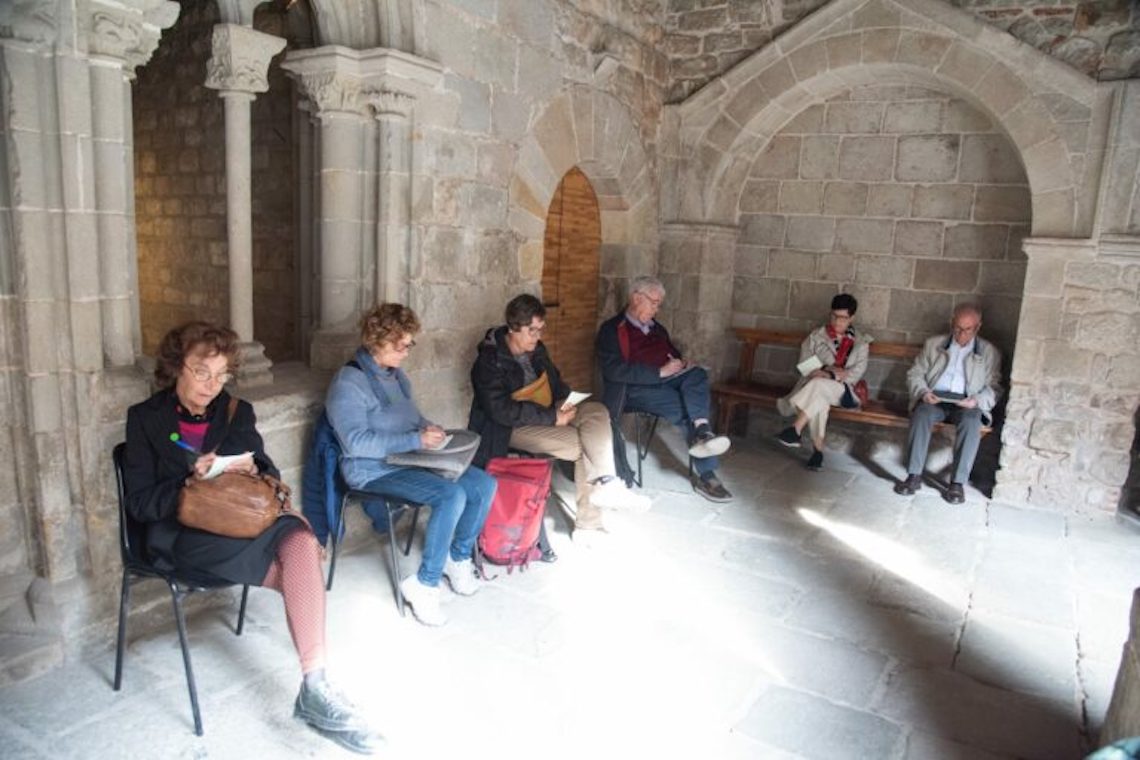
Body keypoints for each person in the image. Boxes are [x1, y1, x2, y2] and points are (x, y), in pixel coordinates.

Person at [123, 322, 382, 754]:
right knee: (298, 573)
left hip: (243, 520)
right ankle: (314, 675)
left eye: (221, 374)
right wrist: (190, 480)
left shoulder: (234, 411)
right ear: (176, 367)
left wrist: (249, 470)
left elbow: (269, 475)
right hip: (180, 536)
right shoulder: (145, 419)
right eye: (202, 372)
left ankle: (314, 684)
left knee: (300, 538)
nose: (212, 385)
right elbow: (140, 504)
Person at [325, 304, 496, 627]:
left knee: (483, 484)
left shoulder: (396, 377)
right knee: (451, 496)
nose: (406, 351)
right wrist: (415, 440)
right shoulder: (348, 383)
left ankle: (456, 558)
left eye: (408, 344)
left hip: (408, 459)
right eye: (399, 345)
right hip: (371, 471)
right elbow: (355, 443)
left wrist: (432, 431)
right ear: (375, 340)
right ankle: (424, 584)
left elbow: (412, 419)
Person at [468, 294, 652, 537]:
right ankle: (590, 524)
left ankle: (606, 481)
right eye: (532, 331)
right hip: (508, 428)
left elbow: (555, 382)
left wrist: (566, 399)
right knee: (582, 444)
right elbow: (501, 411)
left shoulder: (537, 350)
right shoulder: (489, 362)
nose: (538, 337)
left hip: (547, 411)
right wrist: (552, 418)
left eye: (541, 330)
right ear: (513, 328)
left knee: (598, 411)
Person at [596, 276, 733, 503]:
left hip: (667, 379)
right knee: (683, 405)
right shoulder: (612, 329)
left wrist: (681, 363)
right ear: (636, 297)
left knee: (698, 374)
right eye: (654, 302)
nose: (657, 308)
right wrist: (659, 373)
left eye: (659, 303)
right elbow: (613, 371)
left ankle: (702, 431)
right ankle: (707, 475)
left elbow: (670, 355)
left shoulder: (658, 329)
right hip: (636, 390)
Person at [893, 303, 1002, 504]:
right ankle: (913, 476)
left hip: (967, 402)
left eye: (967, 329)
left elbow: (994, 387)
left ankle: (957, 483)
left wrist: (976, 400)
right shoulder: (934, 344)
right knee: (921, 414)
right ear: (952, 323)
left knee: (972, 422)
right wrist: (924, 392)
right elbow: (915, 373)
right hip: (935, 398)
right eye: (958, 328)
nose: (961, 333)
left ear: (978, 328)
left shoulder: (988, 352)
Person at [775, 293, 873, 471]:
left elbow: (855, 374)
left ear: (852, 317)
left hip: (843, 392)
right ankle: (817, 452)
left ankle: (795, 429)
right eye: (834, 316)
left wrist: (827, 373)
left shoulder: (861, 342)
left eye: (843, 318)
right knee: (819, 399)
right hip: (814, 386)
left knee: (818, 385)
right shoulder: (817, 336)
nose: (837, 321)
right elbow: (805, 364)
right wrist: (832, 372)